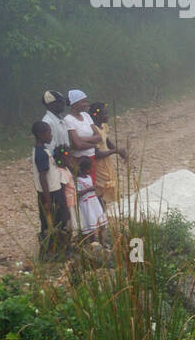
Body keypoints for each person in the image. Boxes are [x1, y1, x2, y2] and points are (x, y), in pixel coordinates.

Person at [41, 90, 78, 232]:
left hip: (65, 165)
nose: (63, 104)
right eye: (60, 102)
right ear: (52, 105)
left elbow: (65, 147)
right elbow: (52, 152)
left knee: (69, 201)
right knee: (61, 202)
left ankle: (70, 230)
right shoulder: (47, 123)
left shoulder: (60, 119)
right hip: (57, 169)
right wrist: (67, 163)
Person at [32, 121, 68, 259]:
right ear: (41, 135)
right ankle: (47, 252)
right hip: (50, 193)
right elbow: (42, 176)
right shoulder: (40, 153)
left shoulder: (44, 150)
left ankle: (57, 249)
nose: (51, 134)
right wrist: (47, 200)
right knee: (51, 222)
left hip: (54, 190)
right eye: (48, 132)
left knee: (59, 219)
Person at [86, 101, 126, 206]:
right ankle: (100, 211)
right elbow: (97, 154)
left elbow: (107, 141)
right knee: (102, 188)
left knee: (110, 184)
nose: (107, 116)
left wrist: (119, 151)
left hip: (107, 162)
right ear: (96, 115)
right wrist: (115, 151)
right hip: (98, 164)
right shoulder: (93, 131)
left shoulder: (103, 126)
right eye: (105, 114)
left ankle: (103, 212)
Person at [74, 156, 107, 242]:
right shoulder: (78, 180)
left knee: (99, 221)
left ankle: (100, 241)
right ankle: (89, 242)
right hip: (86, 204)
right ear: (87, 169)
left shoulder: (88, 177)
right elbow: (77, 193)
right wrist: (89, 189)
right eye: (91, 167)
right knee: (90, 223)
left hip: (93, 202)